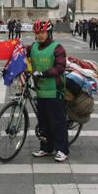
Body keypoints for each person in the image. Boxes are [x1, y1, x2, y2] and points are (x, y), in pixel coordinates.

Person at [27, 20, 69, 163]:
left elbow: (60, 67)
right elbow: (20, 52)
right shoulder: (33, 47)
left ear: (49, 33)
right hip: (40, 91)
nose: (40, 35)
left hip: (54, 91)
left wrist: (43, 73)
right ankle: (46, 147)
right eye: (37, 33)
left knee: (57, 122)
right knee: (43, 122)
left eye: (43, 32)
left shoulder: (57, 48)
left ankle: (62, 149)